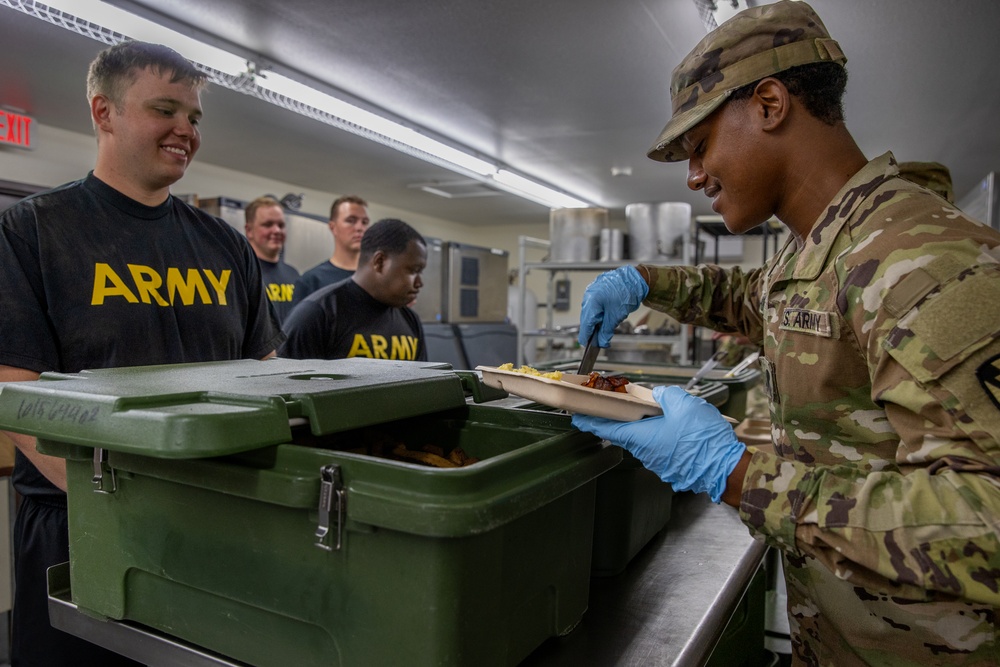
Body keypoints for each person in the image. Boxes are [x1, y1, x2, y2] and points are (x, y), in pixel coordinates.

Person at [571, 2, 1000, 665]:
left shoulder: (924, 258)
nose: (693, 174)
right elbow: (753, 298)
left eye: (701, 144)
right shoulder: (819, 251)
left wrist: (738, 472)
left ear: (769, 103)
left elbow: (989, 520)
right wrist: (642, 280)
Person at [0, 41, 284, 666]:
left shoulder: (225, 248)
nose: (186, 130)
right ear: (104, 113)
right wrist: (121, 504)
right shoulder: (34, 230)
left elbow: (268, 379)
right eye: (166, 110)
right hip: (79, 528)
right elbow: (16, 395)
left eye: (194, 117)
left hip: (212, 522)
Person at [281, 218, 427, 361]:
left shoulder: (410, 320)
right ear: (380, 262)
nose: (419, 283)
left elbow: (424, 383)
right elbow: (285, 383)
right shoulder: (316, 314)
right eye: (413, 271)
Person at [291, 194, 370, 305]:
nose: (359, 228)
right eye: (351, 220)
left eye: (365, 222)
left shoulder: (375, 278)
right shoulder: (312, 281)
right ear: (333, 227)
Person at [244, 195, 301, 323]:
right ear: (249, 230)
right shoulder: (243, 273)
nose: (276, 230)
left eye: (281, 225)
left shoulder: (293, 274)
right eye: (268, 224)